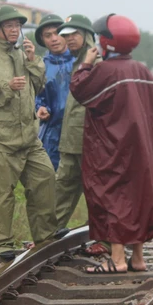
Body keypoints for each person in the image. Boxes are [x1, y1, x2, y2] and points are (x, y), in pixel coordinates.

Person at [70, 14, 153, 274]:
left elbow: (79, 90)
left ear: (105, 41)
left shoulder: (107, 71)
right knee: (137, 197)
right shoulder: (143, 71)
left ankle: (117, 259)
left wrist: (86, 65)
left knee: (112, 197)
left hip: (113, 148)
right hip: (143, 148)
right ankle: (138, 258)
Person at [0, 6, 60, 262]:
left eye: (17, 26)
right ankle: (2, 244)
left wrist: (33, 60)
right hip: (0, 138)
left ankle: (45, 236)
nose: (14, 30)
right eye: (9, 26)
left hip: (29, 137)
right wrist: (6, 87)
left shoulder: (22, 54)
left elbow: (39, 85)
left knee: (45, 179)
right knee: (1, 193)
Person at [52, 14, 99, 230]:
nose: (69, 39)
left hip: (88, 141)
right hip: (71, 141)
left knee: (95, 189)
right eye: (66, 35)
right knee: (62, 187)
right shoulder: (79, 62)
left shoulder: (96, 64)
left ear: (87, 35)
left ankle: (103, 238)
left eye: (74, 34)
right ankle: (48, 235)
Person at [32, 13, 73, 170]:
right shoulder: (41, 66)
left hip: (79, 128)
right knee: (51, 177)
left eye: (58, 33)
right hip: (52, 132)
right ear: (43, 40)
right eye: (48, 35)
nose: (54, 39)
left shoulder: (80, 61)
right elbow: (38, 96)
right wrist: (40, 108)